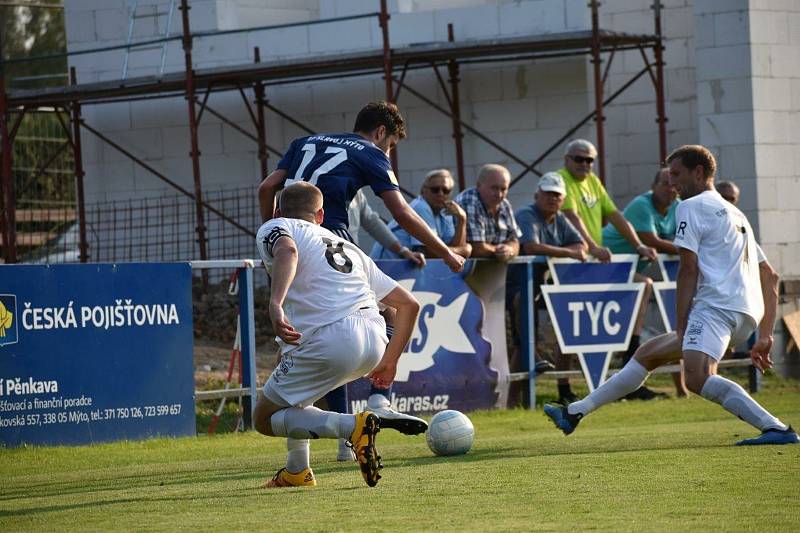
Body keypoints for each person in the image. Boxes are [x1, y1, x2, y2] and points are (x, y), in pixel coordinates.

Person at [545, 145, 799, 446]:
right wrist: (765, 335)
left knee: (696, 377)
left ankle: (777, 429)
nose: (673, 183)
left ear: (699, 172)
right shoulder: (736, 214)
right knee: (647, 354)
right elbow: (770, 276)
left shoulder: (690, 207)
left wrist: (683, 324)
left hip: (715, 308)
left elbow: (687, 269)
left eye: (677, 175)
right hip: (744, 313)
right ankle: (575, 412)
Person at [258, 101, 462, 447]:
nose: (389, 151)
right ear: (382, 132)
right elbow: (400, 212)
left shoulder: (303, 142)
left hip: (286, 243)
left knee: (305, 344)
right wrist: (445, 250)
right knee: (386, 312)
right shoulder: (370, 151)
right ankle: (378, 401)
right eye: (392, 144)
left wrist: (272, 229)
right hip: (330, 238)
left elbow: (267, 187)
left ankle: (330, 448)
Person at [254, 182, 421, 488]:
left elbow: (287, 250)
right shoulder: (348, 247)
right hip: (374, 337)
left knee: (263, 418)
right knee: (296, 392)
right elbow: (408, 305)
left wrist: (275, 304)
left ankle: (351, 427)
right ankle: (296, 471)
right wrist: (390, 361)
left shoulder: (275, 226)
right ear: (320, 215)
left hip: (331, 339)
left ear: (278, 210)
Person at [601, 168, 688, 399]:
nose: (671, 189)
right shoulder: (642, 204)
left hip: (627, 271)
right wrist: (688, 250)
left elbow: (685, 237)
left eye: (674, 184)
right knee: (644, 286)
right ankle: (628, 369)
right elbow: (651, 241)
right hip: (604, 268)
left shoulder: (679, 206)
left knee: (672, 322)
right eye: (665, 184)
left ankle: (635, 377)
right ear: (653, 186)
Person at [512, 172, 587, 404]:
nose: (552, 199)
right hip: (516, 284)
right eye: (548, 193)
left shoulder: (560, 219)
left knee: (567, 331)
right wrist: (567, 252)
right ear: (537, 194)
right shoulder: (527, 214)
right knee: (521, 341)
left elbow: (581, 244)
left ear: (563, 200)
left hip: (545, 284)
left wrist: (568, 251)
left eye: (557, 195)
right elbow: (532, 247)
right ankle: (514, 400)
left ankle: (562, 390)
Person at [558, 139, 657, 265]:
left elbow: (614, 215)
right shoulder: (561, 179)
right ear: (567, 159)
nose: (584, 163)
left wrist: (639, 246)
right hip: (571, 258)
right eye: (579, 159)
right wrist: (592, 247)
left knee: (643, 283)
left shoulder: (592, 180)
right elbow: (571, 216)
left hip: (591, 257)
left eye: (589, 160)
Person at [371, 169, 472, 260]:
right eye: (435, 189)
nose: (440, 194)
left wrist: (462, 219)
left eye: (445, 191)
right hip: (385, 264)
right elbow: (428, 252)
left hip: (403, 266)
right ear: (423, 190)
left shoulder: (445, 211)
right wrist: (464, 251)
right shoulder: (421, 207)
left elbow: (452, 247)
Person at [455, 163, 521, 262]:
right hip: (464, 270)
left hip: (492, 270)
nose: (499, 194)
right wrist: (501, 251)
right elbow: (476, 248)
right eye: (494, 188)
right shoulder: (469, 201)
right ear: (478, 185)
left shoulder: (504, 204)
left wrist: (510, 250)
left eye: (503, 189)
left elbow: (515, 241)